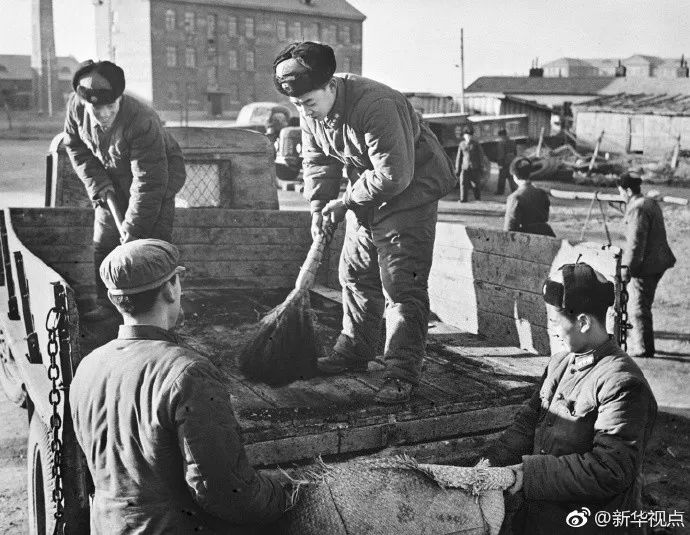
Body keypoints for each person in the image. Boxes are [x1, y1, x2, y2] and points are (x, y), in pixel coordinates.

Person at [272, 41, 456, 404]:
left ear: (331, 86)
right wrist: (319, 206)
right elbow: (317, 160)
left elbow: (394, 175)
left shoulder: (376, 105)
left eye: (308, 101)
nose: (304, 110)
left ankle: (401, 372)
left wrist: (345, 202)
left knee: (401, 285)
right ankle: (355, 349)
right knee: (354, 272)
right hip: (367, 188)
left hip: (411, 190)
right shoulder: (311, 108)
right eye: (297, 104)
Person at [69, 239, 291, 533]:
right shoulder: (189, 373)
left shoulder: (88, 366)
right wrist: (284, 493)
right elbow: (224, 492)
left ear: (113, 298)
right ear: (170, 290)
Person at [485, 262, 657, 535]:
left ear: (584, 322)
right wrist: (488, 465)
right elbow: (527, 425)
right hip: (542, 518)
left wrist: (528, 475)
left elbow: (609, 469)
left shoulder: (622, 383)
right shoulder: (560, 364)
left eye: (555, 321)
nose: (551, 329)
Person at [63, 60, 186, 321]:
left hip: (159, 179)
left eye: (111, 105)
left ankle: (166, 311)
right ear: (84, 102)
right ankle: (108, 306)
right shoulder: (75, 108)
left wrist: (134, 232)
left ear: (120, 97)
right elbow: (76, 147)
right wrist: (99, 184)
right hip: (112, 183)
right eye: (97, 108)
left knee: (153, 247)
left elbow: (149, 182)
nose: (104, 113)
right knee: (104, 244)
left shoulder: (142, 119)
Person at [617, 171, 676, 359]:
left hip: (648, 265)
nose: (620, 195)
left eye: (620, 192)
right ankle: (643, 343)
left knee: (638, 306)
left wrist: (627, 270)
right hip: (658, 261)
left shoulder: (638, 208)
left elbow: (636, 244)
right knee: (643, 304)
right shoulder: (649, 202)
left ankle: (643, 348)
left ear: (627, 191)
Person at [504, 157, 555, 237]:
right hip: (546, 233)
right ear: (529, 173)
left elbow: (510, 229)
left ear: (514, 176)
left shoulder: (515, 198)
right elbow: (546, 217)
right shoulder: (541, 193)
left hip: (527, 237)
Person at [455, 125, 485, 202]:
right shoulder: (462, 144)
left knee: (475, 184)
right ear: (464, 136)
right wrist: (457, 169)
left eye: (469, 136)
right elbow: (459, 158)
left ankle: (477, 199)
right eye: (466, 135)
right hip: (464, 167)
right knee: (463, 183)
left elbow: (481, 156)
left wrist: (481, 167)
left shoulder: (476, 144)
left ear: (471, 136)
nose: (468, 137)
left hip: (475, 167)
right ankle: (463, 199)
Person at [495, 128, 518, 195]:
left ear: (501, 135)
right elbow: (515, 152)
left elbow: (501, 154)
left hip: (504, 162)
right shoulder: (512, 141)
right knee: (511, 177)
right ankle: (514, 191)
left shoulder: (501, 143)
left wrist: (500, 164)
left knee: (502, 177)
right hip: (512, 161)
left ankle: (500, 192)